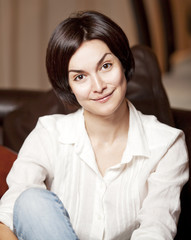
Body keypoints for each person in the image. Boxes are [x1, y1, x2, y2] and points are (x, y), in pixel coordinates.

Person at [0, 10, 188, 240]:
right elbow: (8, 215)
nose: (98, 86)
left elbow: (156, 229)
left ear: (123, 63)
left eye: (106, 66)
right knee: (30, 201)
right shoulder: (48, 133)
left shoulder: (167, 144)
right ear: (68, 87)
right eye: (80, 77)